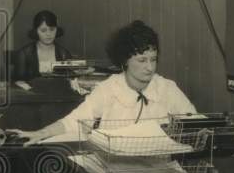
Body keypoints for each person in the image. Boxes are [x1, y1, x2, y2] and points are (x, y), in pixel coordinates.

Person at [12, 20, 197, 144]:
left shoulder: (167, 88)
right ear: (125, 60)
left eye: (153, 59)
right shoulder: (109, 88)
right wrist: (41, 134)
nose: (150, 67)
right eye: (142, 60)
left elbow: (194, 122)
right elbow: (75, 120)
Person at [12, 10, 73, 81]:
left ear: (57, 30)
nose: (48, 34)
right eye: (43, 30)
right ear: (36, 31)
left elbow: (70, 82)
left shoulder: (64, 54)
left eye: (52, 29)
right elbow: (17, 83)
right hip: (29, 92)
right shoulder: (24, 54)